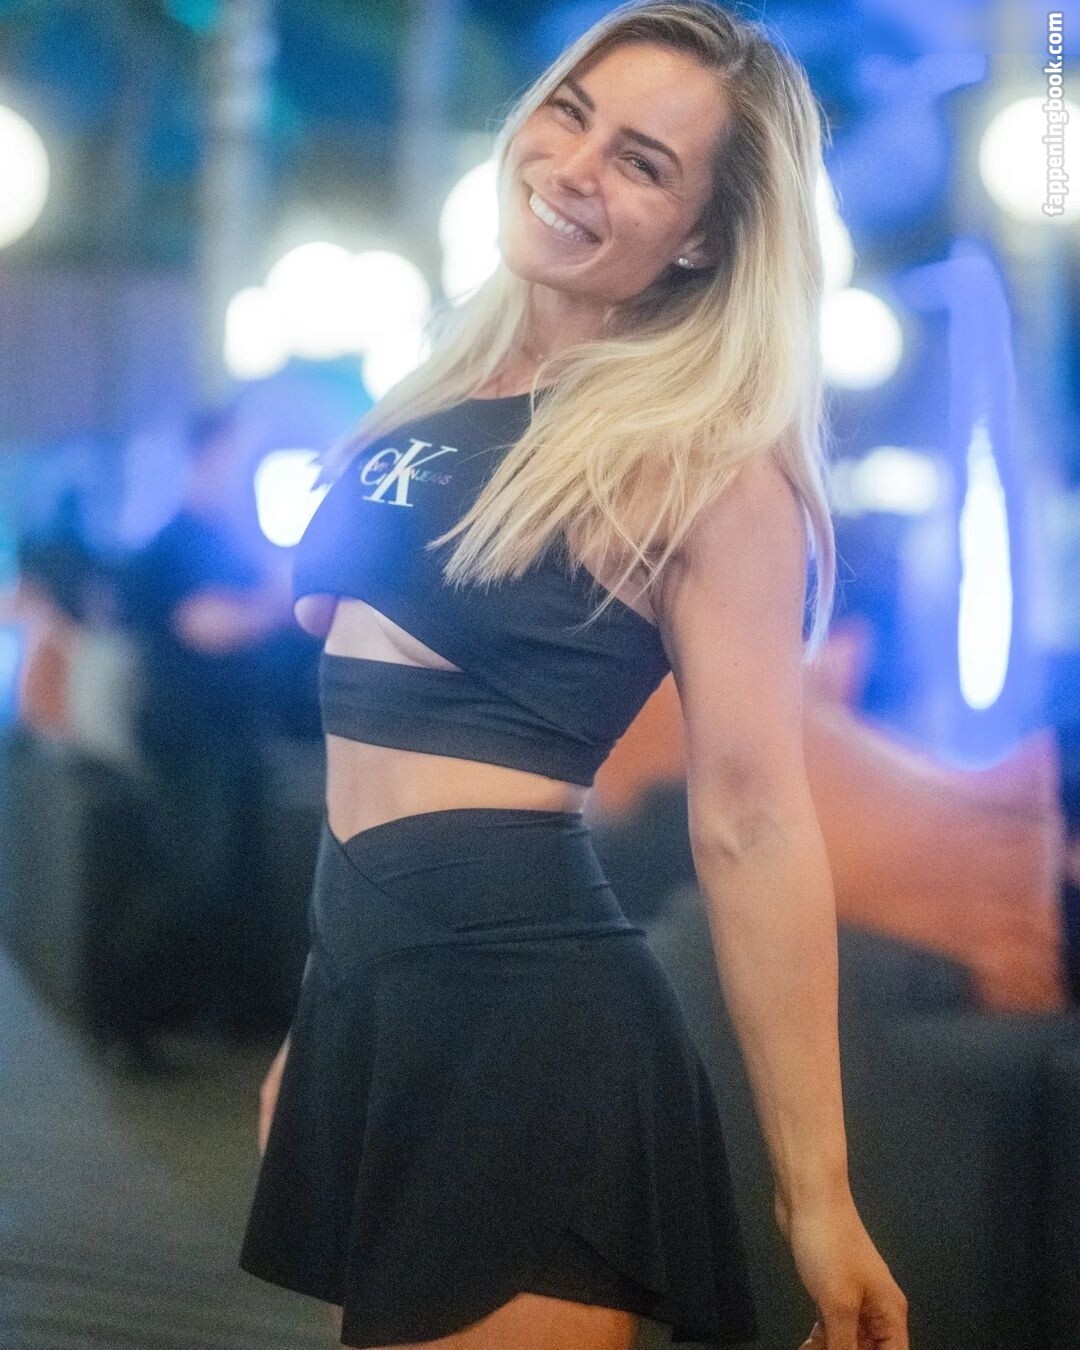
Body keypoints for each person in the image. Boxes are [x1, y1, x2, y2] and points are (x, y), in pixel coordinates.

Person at [239, 4, 910, 1348]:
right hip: (374, 998)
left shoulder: (708, 465)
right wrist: (326, 1005)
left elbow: (753, 820)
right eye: (572, 111)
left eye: (642, 163)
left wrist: (819, 1195)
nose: (576, 165)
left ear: (704, 238)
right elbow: (365, 738)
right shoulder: (437, 393)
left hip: (530, 1036)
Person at [119, 405, 292, 1038]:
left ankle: (226, 1017)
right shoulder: (172, 545)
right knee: (190, 878)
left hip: (235, 732)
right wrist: (276, 601)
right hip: (188, 735)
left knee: (241, 880)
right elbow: (206, 628)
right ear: (207, 455)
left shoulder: (231, 539)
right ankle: (129, 1021)